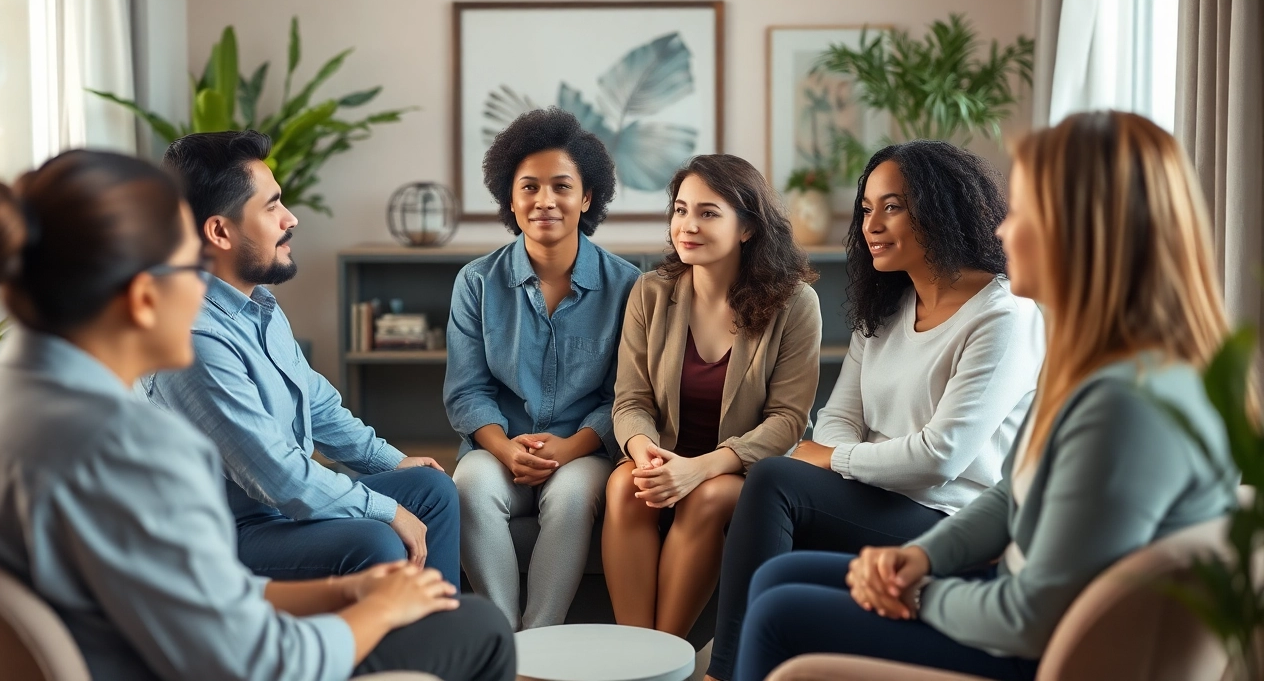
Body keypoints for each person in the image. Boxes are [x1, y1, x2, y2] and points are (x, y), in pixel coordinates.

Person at [0, 151, 514, 681]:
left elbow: (172, 589)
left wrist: (345, 591)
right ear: (144, 298)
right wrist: (378, 611)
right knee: (479, 629)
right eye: (189, 267)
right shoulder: (134, 449)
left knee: (429, 552)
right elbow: (261, 660)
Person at [732, 111, 1244, 681]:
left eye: (1023, 212)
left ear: (1085, 229)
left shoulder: (1123, 406)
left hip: (1034, 648)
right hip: (1011, 602)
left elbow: (1029, 616)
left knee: (781, 609)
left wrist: (922, 593)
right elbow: (1010, 495)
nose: (1001, 230)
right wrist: (921, 559)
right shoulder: (1101, 369)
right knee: (776, 580)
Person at [706, 140, 1045, 680]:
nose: (872, 224)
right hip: (875, 497)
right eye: (866, 209)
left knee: (775, 479)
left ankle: (723, 672)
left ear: (942, 209)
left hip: (947, 519)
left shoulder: (1003, 317)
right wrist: (845, 457)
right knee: (782, 490)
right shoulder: (886, 306)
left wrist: (834, 461)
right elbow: (840, 415)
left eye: (894, 206)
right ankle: (764, 658)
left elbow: (940, 458)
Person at [145, 131, 460, 587]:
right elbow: (279, 477)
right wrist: (385, 510)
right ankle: (400, 651)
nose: (290, 219)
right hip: (226, 533)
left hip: (277, 510)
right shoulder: (194, 340)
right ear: (219, 231)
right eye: (271, 207)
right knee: (376, 541)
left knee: (431, 489)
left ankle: (438, 644)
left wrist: (390, 462)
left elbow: (316, 402)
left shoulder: (258, 304)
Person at [602, 153, 822, 639]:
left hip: (740, 469)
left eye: (708, 212)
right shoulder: (651, 292)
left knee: (705, 499)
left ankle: (668, 653)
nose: (688, 225)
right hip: (662, 454)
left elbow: (787, 421)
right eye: (681, 209)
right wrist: (646, 456)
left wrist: (699, 467)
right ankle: (638, 656)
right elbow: (631, 401)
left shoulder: (795, 304)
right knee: (624, 488)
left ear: (746, 228)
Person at [445, 108, 641, 631]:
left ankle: (541, 638)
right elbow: (467, 391)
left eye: (561, 186)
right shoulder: (476, 282)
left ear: (587, 197)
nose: (545, 201)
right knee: (467, 486)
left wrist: (569, 447)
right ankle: (503, 638)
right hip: (498, 445)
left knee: (574, 495)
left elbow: (624, 394)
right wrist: (506, 448)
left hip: (583, 449)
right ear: (510, 199)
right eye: (529, 187)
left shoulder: (628, 286)